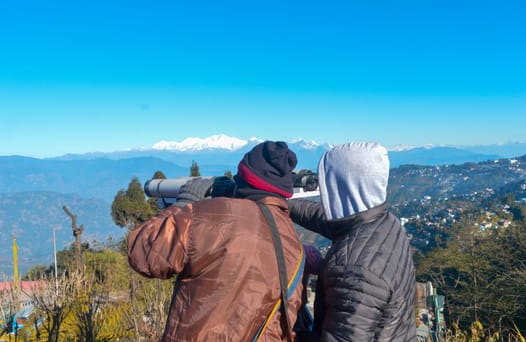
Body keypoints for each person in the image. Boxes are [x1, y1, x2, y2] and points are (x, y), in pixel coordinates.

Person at [127, 141, 305, 342]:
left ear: (244, 179)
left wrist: (187, 201)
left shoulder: (209, 217)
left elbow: (142, 253)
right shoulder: (293, 242)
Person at [287, 142, 417, 341]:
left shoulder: (354, 269)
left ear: (341, 186)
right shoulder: (385, 223)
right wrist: (281, 203)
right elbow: (325, 219)